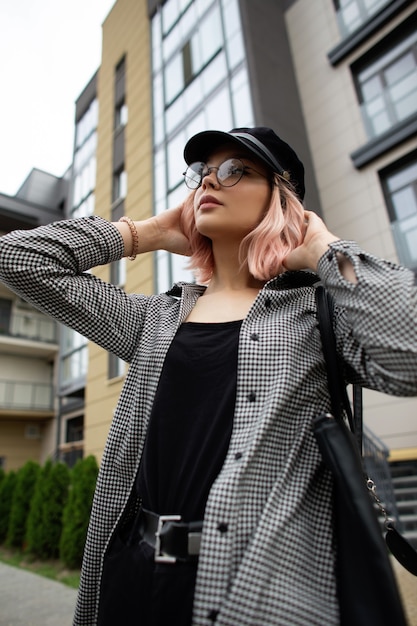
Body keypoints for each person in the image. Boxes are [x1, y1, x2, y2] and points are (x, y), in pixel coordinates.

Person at [0, 126, 416, 626]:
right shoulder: (154, 320)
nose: (209, 184)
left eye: (235, 170)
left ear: (280, 197)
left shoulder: (315, 313)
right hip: (129, 582)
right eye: (201, 175)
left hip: (258, 595)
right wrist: (147, 232)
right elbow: (20, 259)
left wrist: (324, 249)